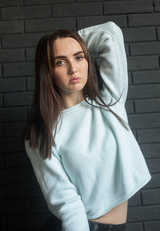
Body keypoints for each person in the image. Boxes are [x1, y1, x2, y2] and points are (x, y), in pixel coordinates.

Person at [24, 21, 151, 231]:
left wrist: (73, 40)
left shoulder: (110, 101)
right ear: (48, 70)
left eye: (79, 56)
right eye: (60, 62)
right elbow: (67, 203)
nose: (73, 68)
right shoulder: (40, 134)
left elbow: (110, 33)